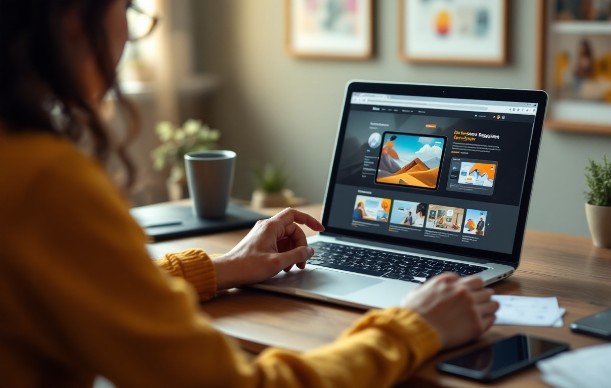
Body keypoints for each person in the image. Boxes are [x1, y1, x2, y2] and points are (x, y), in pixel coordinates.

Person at [0, 1, 499, 386]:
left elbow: (96, 284)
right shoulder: (44, 182)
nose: (128, 32)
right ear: (71, 19)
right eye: (128, 10)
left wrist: (223, 267)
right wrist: (414, 327)